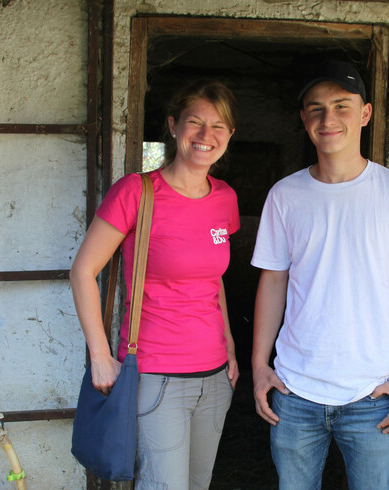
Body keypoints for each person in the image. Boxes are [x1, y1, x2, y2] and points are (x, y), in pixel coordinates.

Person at [251, 60, 389, 490]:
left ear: (366, 114)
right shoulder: (285, 195)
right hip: (295, 391)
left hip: (374, 393)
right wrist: (259, 365)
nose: (328, 119)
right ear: (304, 119)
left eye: (341, 105)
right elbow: (273, 283)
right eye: (316, 108)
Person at [70, 79, 240, 489]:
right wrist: (99, 354)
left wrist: (231, 350)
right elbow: (82, 271)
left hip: (215, 378)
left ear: (230, 135)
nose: (206, 136)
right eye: (195, 122)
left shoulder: (225, 199)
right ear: (173, 125)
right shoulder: (137, 192)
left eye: (218, 126)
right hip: (156, 376)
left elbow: (213, 280)